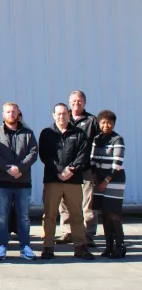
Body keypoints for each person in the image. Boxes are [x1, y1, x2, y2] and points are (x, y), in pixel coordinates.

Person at [38, 103, 94, 260]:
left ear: (69, 115)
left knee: (76, 214)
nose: (61, 117)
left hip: (73, 180)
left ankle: (80, 247)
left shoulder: (79, 133)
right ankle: (48, 247)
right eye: (58, 114)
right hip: (52, 180)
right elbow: (44, 155)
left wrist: (71, 169)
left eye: (64, 114)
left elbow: (83, 154)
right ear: (53, 115)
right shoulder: (46, 133)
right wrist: (59, 171)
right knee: (49, 215)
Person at [0, 103, 38, 261]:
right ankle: (2, 246)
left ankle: (25, 247)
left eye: (13, 111)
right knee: (2, 216)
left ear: (18, 113)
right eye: (8, 112)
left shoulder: (28, 133)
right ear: (3, 114)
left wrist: (20, 168)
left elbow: (33, 153)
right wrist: (8, 169)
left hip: (22, 182)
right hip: (3, 182)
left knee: (23, 216)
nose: (11, 114)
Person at [58, 90, 100, 247]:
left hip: (86, 168)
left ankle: (88, 235)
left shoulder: (91, 120)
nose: (76, 104)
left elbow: (98, 143)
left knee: (88, 203)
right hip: (66, 169)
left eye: (79, 101)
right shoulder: (63, 117)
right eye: (74, 101)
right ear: (69, 103)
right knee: (65, 201)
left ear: (85, 103)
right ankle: (67, 232)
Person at [91, 110, 126, 258]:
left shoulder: (117, 139)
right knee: (104, 215)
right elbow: (92, 159)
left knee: (114, 214)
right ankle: (108, 247)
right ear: (99, 123)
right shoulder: (97, 138)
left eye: (109, 122)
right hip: (99, 181)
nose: (106, 125)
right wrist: (95, 177)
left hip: (114, 181)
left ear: (114, 123)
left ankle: (120, 246)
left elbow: (117, 164)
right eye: (103, 122)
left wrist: (105, 181)